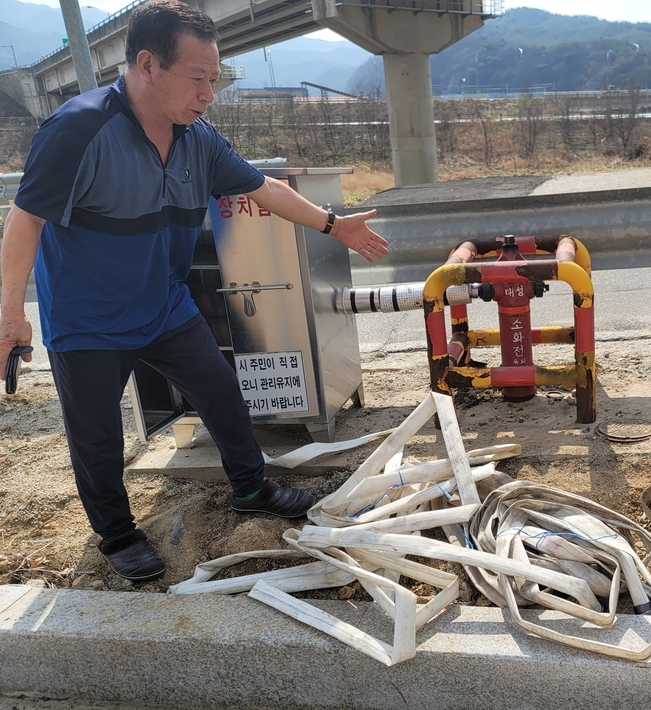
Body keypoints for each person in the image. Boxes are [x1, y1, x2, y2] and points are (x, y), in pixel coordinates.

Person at [0, 0, 388, 583]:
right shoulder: (80, 128)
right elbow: (25, 219)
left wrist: (336, 224)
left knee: (222, 395)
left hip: (164, 305)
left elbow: (264, 189)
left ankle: (251, 490)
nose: (209, 92)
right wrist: (10, 313)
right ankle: (117, 534)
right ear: (148, 65)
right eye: (198, 78)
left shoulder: (198, 138)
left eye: (216, 79)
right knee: (97, 436)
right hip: (88, 320)